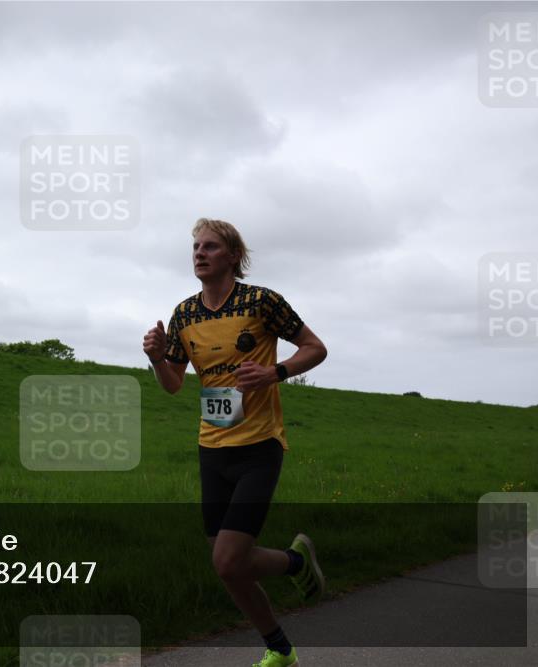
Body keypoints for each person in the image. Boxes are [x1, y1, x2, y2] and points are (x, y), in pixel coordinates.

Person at [142, 219, 328, 667]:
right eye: (195, 247)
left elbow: (315, 347)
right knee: (231, 564)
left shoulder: (261, 302)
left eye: (210, 247)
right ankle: (284, 632)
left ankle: (287, 611)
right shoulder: (185, 314)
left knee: (227, 562)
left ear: (232, 256)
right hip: (212, 448)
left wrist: (274, 372)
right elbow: (171, 384)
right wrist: (154, 357)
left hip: (259, 446)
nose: (199, 253)